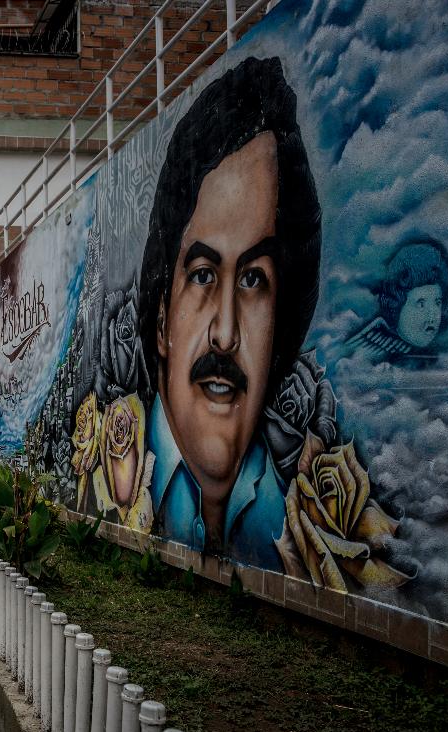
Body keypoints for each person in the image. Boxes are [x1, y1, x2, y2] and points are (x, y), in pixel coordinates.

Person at [137, 56, 321, 570]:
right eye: (201, 274)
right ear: (161, 320)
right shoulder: (122, 484)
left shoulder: (297, 519)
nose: (224, 333)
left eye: (253, 279)